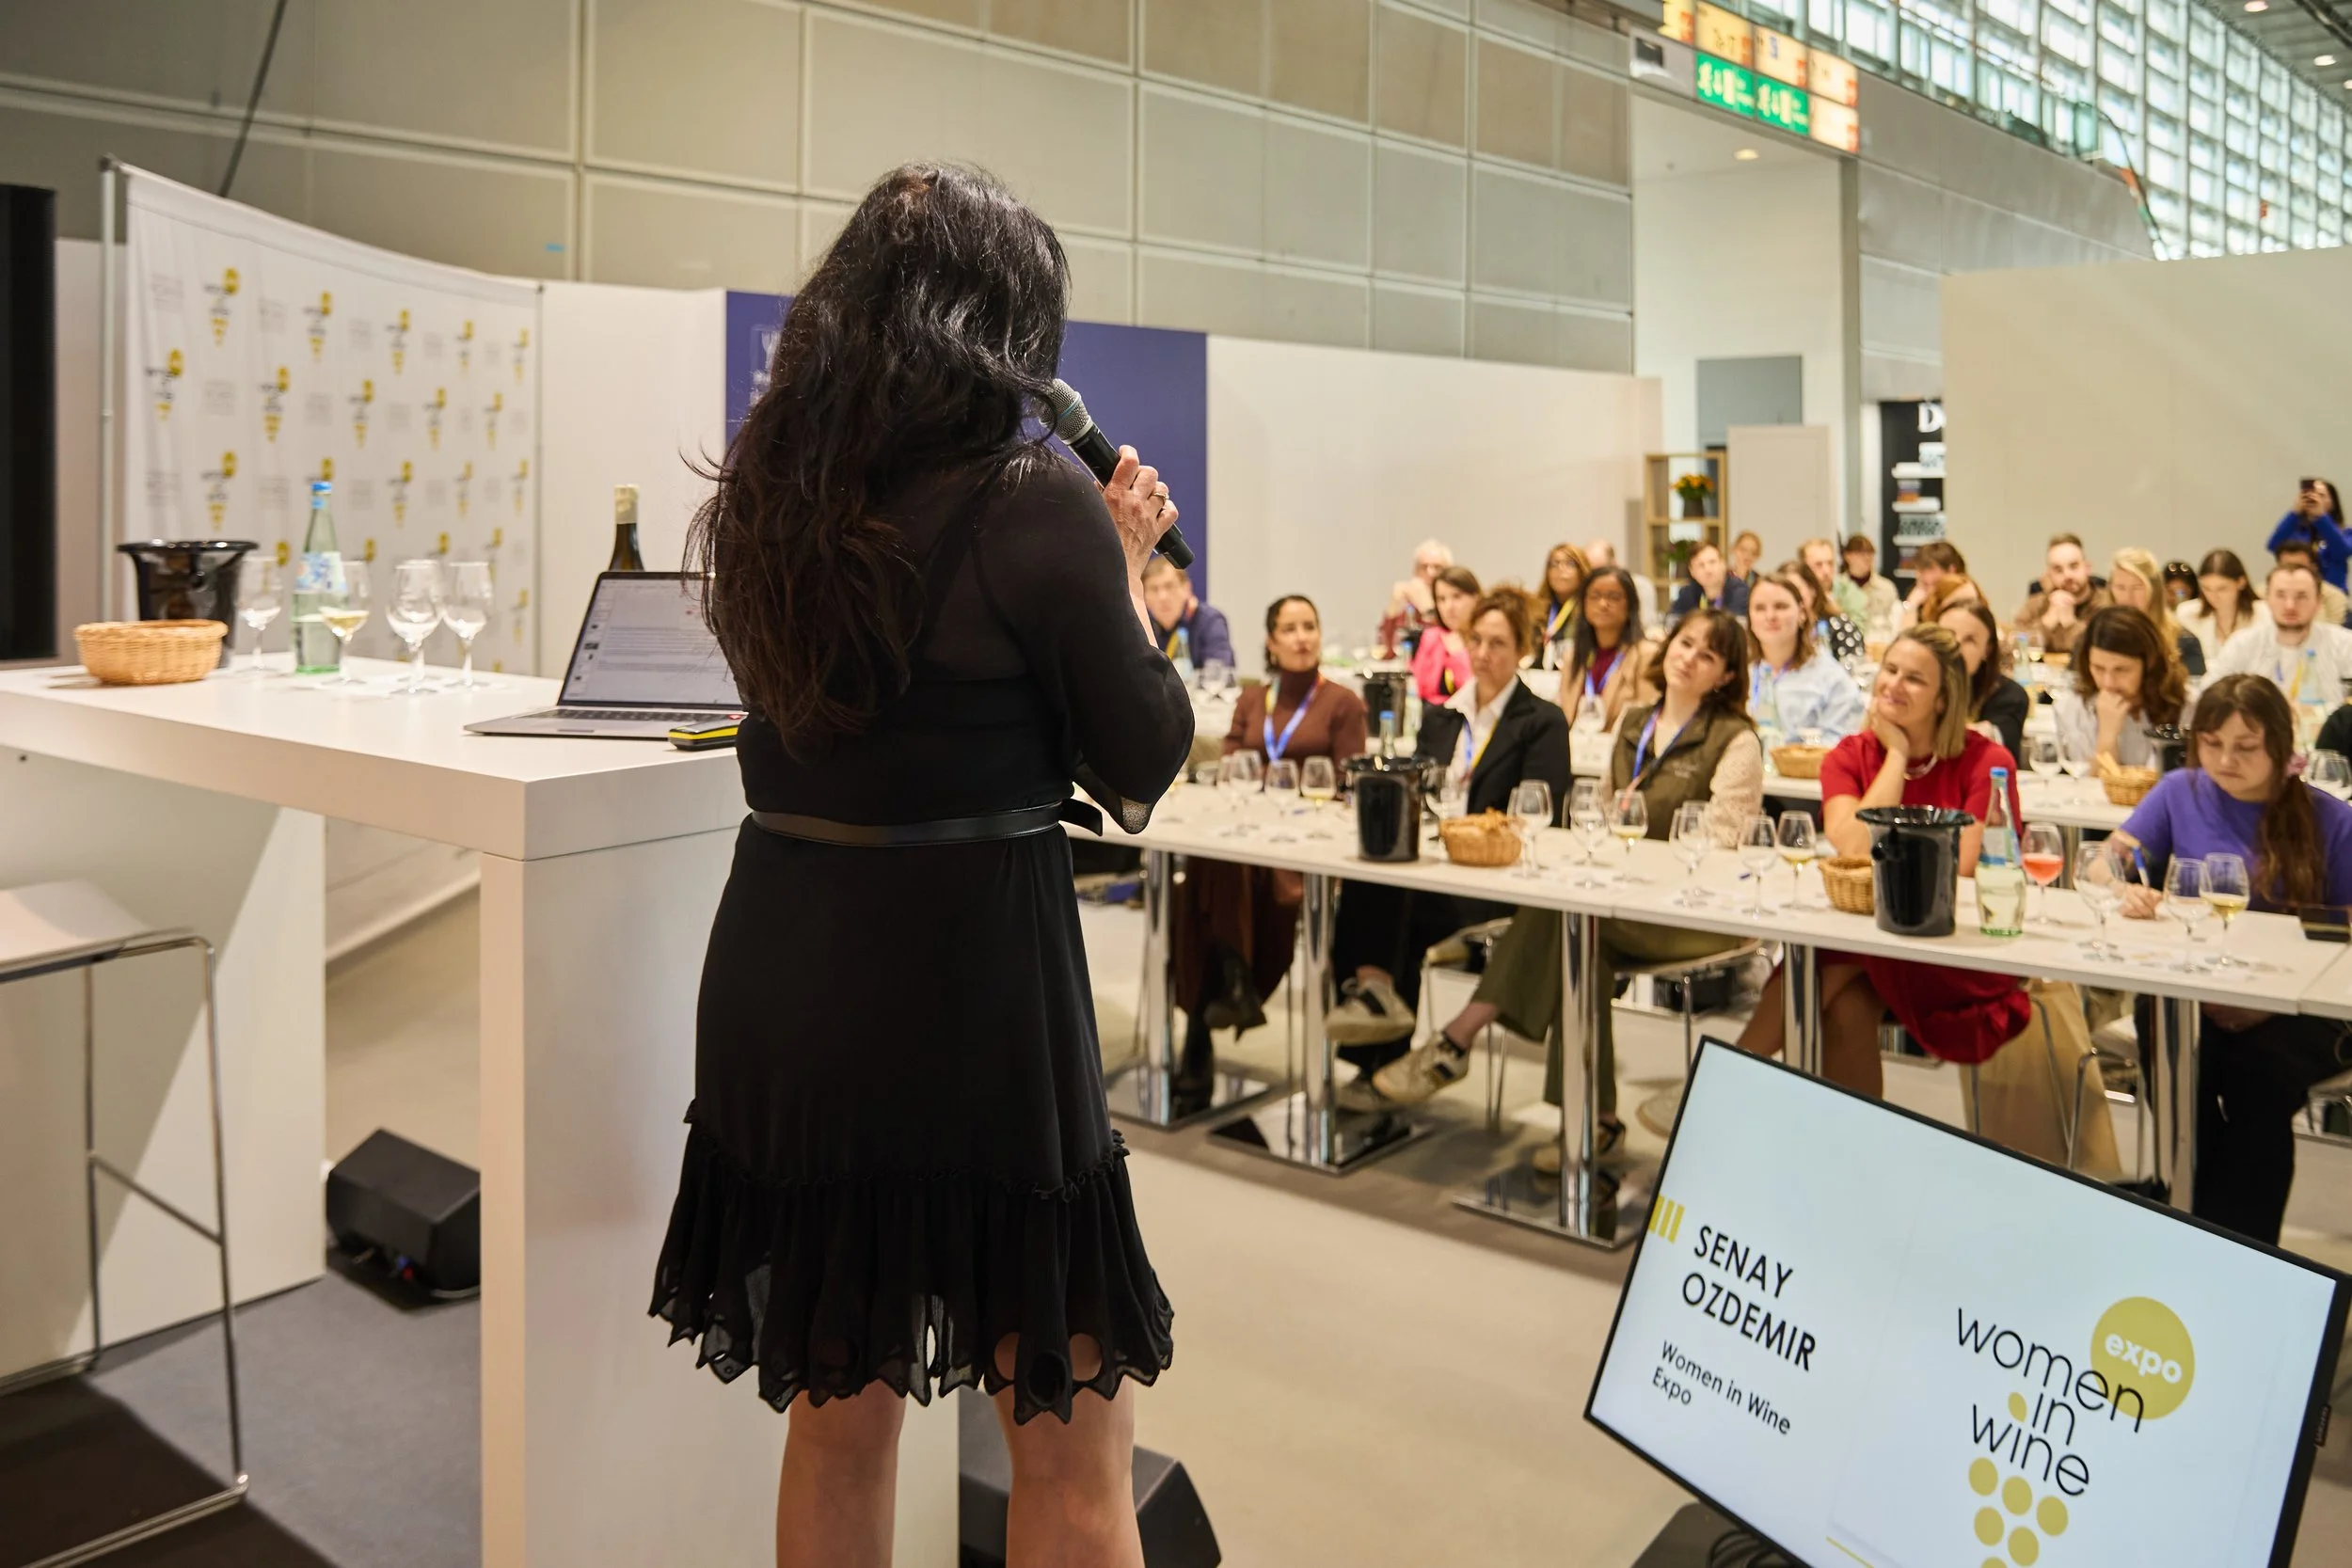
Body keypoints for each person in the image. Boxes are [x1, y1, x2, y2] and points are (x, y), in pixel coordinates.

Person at [653, 165, 1190, 1568]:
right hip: (975, 992)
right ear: (1001, 326)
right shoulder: (1036, 498)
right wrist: (1130, 572)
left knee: (838, 1415)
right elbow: (1141, 754)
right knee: (1071, 1439)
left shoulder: (778, 489)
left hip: (786, 972)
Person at [1364, 610, 1762, 1156]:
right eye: (1685, 642)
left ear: (1725, 676)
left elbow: (1720, 843)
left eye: (1708, 655)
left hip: (1695, 912)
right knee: (1581, 940)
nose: (1688, 657)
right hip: (1618, 902)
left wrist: (1630, 860)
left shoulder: (1736, 739)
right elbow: (1595, 815)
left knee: (1572, 920)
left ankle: (1458, 1039)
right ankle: (1593, 1123)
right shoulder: (1634, 721)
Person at [2110, 675, 2352, 1244]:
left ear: (2282, 748)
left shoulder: (2329, 820)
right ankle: (2201, 1223)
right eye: (2212, 743)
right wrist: (2124, 886)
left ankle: (2223, 1239)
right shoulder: (2180, 791)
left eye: (2246, 747)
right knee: (2174, 1054)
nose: (2225, 760)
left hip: (2302, 1010)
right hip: (2198, 992)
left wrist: (2263, 1003)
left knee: (2257, 1080)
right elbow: (2112, 861)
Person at [1737, 626, 2026, 1097]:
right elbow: (1853, 845)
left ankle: (1730, 1076)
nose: (1893, 684)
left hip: (1946, 946)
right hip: (1867, 941)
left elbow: (1966, 868)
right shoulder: (1849, 757)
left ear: (1942, 699)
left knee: (1826, 955)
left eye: (1914, 679)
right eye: (1890, 670)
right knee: (1844, 1001)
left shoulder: (1986, 762)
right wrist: (1896, 756)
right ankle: (1847, 1151)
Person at [1323, 591, 1570, 1069]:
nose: (1482, 653)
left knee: (1397, 903)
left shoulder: (1541, 722)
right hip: (1434, 860)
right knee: (1367, 876)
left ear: (1521, 649)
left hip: (1494, 875)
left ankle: (1378, 1056)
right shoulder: (1441, 718)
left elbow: (1537, 810)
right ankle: (1376, 1007)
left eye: (1498, 643)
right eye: (1475, 640)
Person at [1172, 596, 1367, 1095]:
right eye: (1290, 628)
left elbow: (1347, 787)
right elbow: (1232, 763)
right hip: (1248, 838)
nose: (1302, 637)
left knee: (1208, 879)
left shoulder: (1342, 702)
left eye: (1310, 627)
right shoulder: (1252, 699)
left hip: (1306, 846)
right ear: (1271, 641)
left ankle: (1204, 1020)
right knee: (1208, 867)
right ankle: (1229, 982)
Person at [2209, 562, 2352, 736]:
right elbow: (2209, 696)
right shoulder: (2242, 644)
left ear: (2318, 602)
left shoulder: (2344, 644)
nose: (2290, 605)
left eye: (2301, 596)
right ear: (2267, 599)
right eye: (2280, 595)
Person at [2052, 606, 2188, 770]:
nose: (2108, 683)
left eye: (2121, 670)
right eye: (2099, 668)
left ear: (2149, 665)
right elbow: (2088, 785)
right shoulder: (2072, 707)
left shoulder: (2187, 705)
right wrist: (2107, 735)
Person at [1746, 568, 1865, 745]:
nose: (1770, 616)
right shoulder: (1740, 674)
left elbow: (1843, 745)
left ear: (1802, 613)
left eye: (1781, 606)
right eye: (1760, 608)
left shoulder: (1831, 679)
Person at [1561, 565, 1651, 734]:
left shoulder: (1645, 655)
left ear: (1630, 604)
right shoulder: (1573, 656)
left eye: (1614, 597)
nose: (1603, 604)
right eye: (1595, 596)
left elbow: (1645, 722)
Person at [1940, 598, 2030, 762]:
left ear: (1986, 650)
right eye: (1948, 636)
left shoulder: (2008, 695)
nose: (1956, 646)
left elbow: (1996, 745)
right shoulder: (1916, 686)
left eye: (1970, 640)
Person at [2109, 546, 2203, 677]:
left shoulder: (2184, 642)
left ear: (2154, 590)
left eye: (2137, 587)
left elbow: (2194, 693)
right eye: (2120, 587)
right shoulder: (2094, 637)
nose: (2128, 597)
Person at [2012, 533, 2111, 655]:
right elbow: (2012, 647)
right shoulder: (2036, 604)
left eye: (2074, 566)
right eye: (2058, 570)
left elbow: (2108, 649)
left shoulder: (2108, 603)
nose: (2067, 575)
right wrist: (2046, 623)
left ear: (2087, 568)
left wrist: (2072, 625)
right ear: (2049, 574)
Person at [2178, 547, 2271, 668]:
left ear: (2241, 582)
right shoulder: (2187, 615)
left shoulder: (2264, 614)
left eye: (2222, 589)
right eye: (2206, 588)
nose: (2214, 596)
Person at [1140, 555, 1232, 671]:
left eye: (1169, 586)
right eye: (1154, 589)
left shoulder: (1210, 621)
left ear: (1186, 589)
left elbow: (1218, 675)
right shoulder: (1140, 628)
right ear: (1144, 596)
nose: (1162, 597)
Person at [1410, 565, 1482, 703]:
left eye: (1457, 597)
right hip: (1435, 717)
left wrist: (1458, 656)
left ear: (1476, 598)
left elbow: (1477, 694)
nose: (1449, 607)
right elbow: (1417, 689)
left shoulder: (1486, 639)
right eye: (1441, 599)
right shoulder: (1432, 636)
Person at [1779, 557, 1867, 666]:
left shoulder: (1840, 626)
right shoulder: (1777, 628)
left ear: (1812, 589)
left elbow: (1854, 672)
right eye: (1784, 591)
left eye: (1796, 589)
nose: (1790, 597)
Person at [2266, 477, 2348, 591]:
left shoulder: (2345, 532)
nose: (2314, 498)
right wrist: (2294, 513)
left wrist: (2321, 518)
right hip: (2299, 593)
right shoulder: (2295, 532)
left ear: (2333, 502)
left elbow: (2342, 551)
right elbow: (2273, 545)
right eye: (2310, 494)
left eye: (2321, 495)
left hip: (2332, 596)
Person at [1379, 538, 1452, 657]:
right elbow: (1385, 652)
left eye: (1437, 567)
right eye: (1424, 567)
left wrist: (1427, 609)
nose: (1430, 573)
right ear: (1415, 572)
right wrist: (1393, 607)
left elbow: (1445, 649)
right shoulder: (1409, 608)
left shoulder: (1453, 606)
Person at [2271, 539, 2350, 626]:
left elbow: (2333, 633)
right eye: (2287, 567)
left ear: (2314, 567)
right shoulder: (2261, 594)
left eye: (2299, 567)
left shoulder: (2334, 597)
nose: (2293, 573)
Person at [1893, 540, 1968, 630]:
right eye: (1920, 569)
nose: (1922, 575)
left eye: (1930, 569)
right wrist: (1912, 606)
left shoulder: (1963, 599)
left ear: (1951, 570)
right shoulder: (1920, 594)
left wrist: (1912, 607)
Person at [1535, 543, 1587, 670]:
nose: (1561, 569)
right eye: (1554, 564)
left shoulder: (1589, 611)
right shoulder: (1536, 610)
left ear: (1582, 570)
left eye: (1570, 564)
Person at [1668, 540, 1751, 619]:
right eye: (1701, 565)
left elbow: (1732, 627)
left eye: (1712, 562)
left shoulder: (1739, 591)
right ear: (1692, 571)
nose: (1707, 570)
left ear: (1724, 564)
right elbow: (1672, 621)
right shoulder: (1688, 592)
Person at [1836, 533, 1899, 635]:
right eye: (1861, 553)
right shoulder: (1838, 587)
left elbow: (1894, 619)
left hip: (1878, 641)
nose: (1867, 558)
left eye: (1870, 553)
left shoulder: (1886, 587)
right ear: (1847, 556)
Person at [1588, 535, 1660, 624]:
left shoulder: (1640, 586)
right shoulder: (1584, 588)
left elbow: (1646, 624)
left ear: (1613, 564)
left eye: (1600, 571)